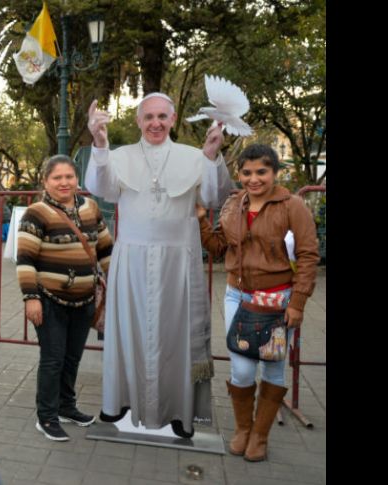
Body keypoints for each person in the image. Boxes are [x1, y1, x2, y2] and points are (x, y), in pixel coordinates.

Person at [84, 94, 234, 437]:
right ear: (138, 120)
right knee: (130, 330)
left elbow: (214, 197)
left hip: (178, 264)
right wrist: (100, 143)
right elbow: (99, 186)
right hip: (132, 261)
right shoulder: (120, 156)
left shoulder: (194, 156)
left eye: (162, 117)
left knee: (179, 334)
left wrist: (211, 155)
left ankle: (181, 411)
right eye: (148, 116)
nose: (155, 123)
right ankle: (121, 401)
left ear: (173, 118)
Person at [197, 143, 319, 461]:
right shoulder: (233, 205)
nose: (254, 179)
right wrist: (198, 218)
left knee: (273, 369)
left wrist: (298, 304)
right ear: (240, 174)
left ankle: (260, 437)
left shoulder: (293, 206)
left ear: (275, 173)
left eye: (262, 172)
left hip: (279, 300)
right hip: (237, 296)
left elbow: (308, 256)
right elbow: (218, 247)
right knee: (241, 370)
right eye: (247, 172)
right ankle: (243, 429)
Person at [17, 155, 115, 441]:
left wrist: (118, 283)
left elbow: (106, 250)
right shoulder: (36, 213)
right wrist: (30, 298)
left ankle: (66, 407)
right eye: (57, 177)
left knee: (72, 358)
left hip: (84, 300)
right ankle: (46, 416)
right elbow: (25, 260)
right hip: (49, 300)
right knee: (53, 359)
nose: (64, 182)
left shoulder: (91, 208)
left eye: (69, 177)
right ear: (45, 182)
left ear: (77, 179)